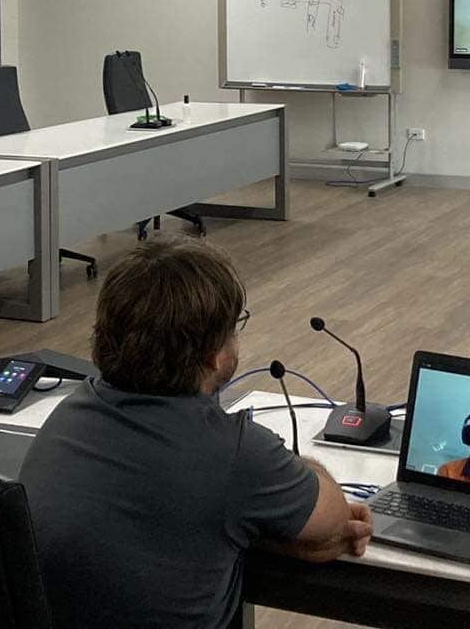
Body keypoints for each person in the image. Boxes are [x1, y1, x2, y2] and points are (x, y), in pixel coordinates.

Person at [20, 239, 372, 629]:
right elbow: (338, 522)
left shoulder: (68, 415)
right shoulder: (237, 454)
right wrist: (280, 514)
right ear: (213, 354)